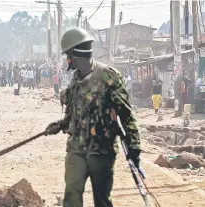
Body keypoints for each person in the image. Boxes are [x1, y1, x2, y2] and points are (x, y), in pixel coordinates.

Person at [44, 27, 141, 207]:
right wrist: (59, 125)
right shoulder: (75, 80)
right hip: (76, 149)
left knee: (102, 200)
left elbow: (126, 115)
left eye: (68, 55)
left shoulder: (108, 76)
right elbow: (73, 114)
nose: (67, 60)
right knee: (71, 194)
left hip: (101, 150)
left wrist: (134, 146)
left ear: (76, 55)